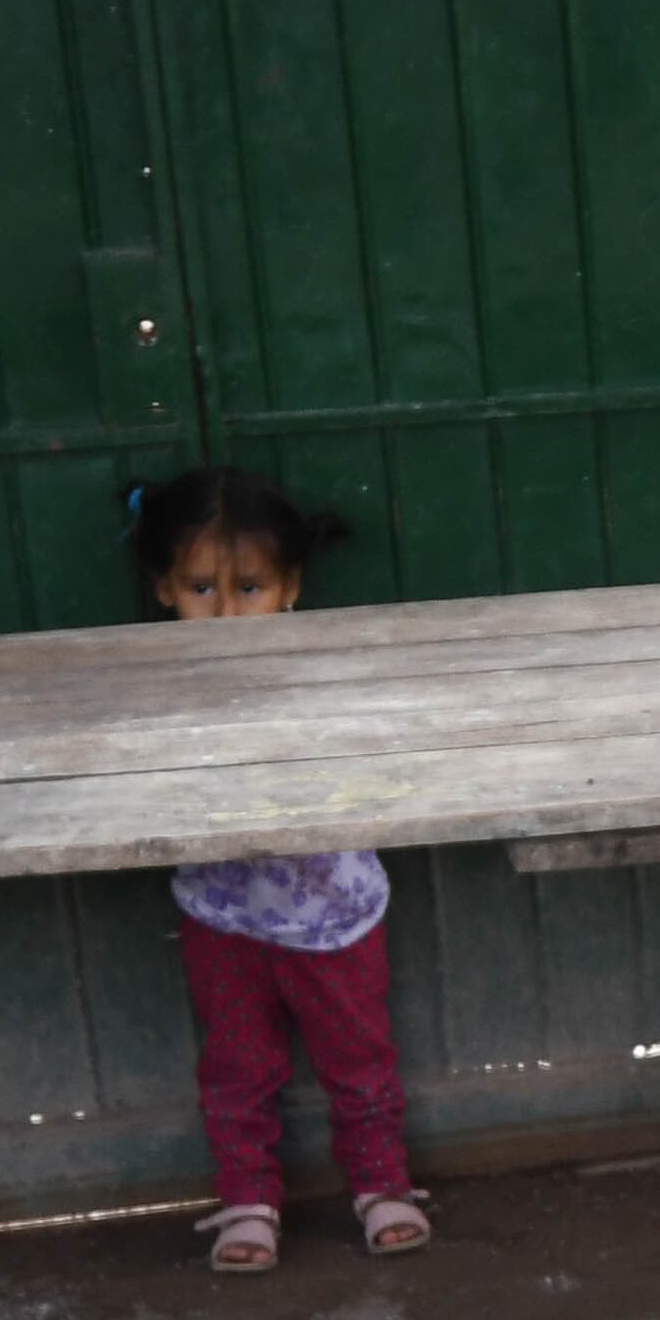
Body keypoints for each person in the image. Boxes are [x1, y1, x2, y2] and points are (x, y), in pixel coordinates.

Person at [129, 466, 430, 1274]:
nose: (225, 613)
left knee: (358, 1060)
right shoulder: (151, 688)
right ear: (163, 590)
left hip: (334, 915)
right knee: (235, 1066)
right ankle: (247, 1198)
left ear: (291, 588)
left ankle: (381, 1184)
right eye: (200, 588)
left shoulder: (326, 676)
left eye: (250, 588)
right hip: (221, 915)